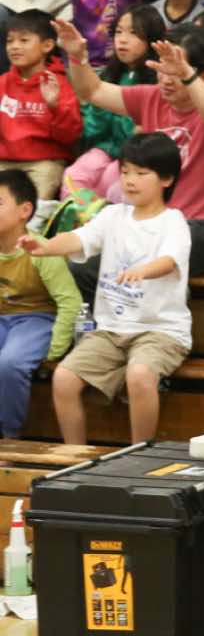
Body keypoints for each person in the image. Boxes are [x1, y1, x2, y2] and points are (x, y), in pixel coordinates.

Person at [59, 21, 204, 288]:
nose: (166, 80)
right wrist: (77, 56)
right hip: (151, 228)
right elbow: (94, 91)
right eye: (162, 69)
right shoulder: (152, 98)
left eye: (175, 72)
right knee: (82, 268)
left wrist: (187, 75)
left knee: (135, 265)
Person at [34, 133, 190, 446]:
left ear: (167, 179)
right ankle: (75, 456)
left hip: (161, 331)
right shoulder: (111, 215)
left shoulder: (174, 221)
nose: (130, 180)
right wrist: (45, 246)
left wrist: (143, 270)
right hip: (109, 330)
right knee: (64, 378)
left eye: (141, 173)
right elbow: (79, 238)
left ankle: (138, 455)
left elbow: (169, 261)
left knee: (139, 375)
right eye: (125, 171)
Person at [0, 169, 80, 440]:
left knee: (10, 363)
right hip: (2, 320)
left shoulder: (41, 250)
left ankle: (10, 439)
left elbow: (70, 301)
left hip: (37, 319)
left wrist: (56, 348)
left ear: (24, 210)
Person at [62, 7, 164, 201]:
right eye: (118, 32)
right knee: (73, 175)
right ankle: (82, 219)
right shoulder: (109, 75)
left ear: (152, 39)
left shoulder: (158, 81)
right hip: (105, 148)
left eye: (133, 33)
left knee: (110, 181)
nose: (122, 40)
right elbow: (94, 127)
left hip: (136, 158)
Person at [0, 11, 82, 200]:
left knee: (33, 210)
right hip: (4, 161)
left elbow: (70, 136)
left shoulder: (59, 84)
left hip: (44, 163)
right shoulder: (3, 83)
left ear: (47, 45)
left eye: (24, 40)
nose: (14, 46)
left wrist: (54, 106)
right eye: (10, 41)